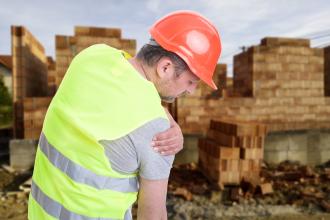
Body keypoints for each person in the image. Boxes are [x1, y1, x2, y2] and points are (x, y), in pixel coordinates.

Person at [28, 10, 221, 220]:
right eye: (191, 81)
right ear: (165, 67)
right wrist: (164, 120)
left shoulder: (91, 57)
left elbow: (126, 87)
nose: (191, 90)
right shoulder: (159, 135)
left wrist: (165, 115)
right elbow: (153, 215)